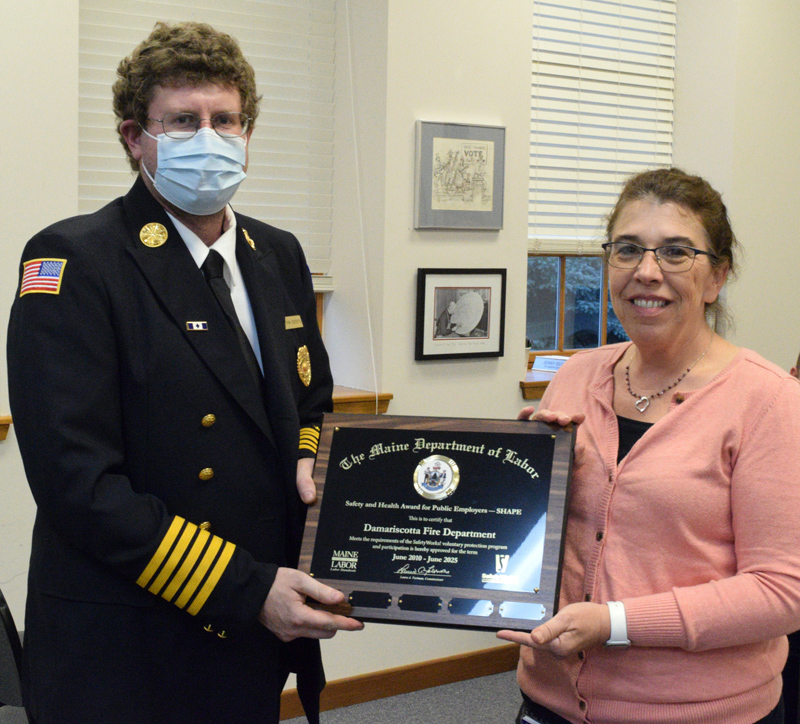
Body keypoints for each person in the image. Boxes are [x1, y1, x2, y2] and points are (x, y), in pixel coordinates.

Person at [6, 21, 362, 724]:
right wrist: (244, 586)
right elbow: (78, 483)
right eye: (182, 120)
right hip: (131, 636)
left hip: (254, 626)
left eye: (225, 119)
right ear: (135, 136)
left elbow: (310, 403)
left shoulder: (278, 254)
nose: (209, 137)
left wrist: (305, 460)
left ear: (248, 132)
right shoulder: (74, 261)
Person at [498, 167, 800, 724]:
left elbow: (782, 591)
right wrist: (526, 473)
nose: (647, 271)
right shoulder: (574, 377)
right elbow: (544, 545)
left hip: (702, 711)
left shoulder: (769, 401)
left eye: (677, 252)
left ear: (717, 278)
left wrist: (615, 622)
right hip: (550, 699)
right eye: (628, 249)